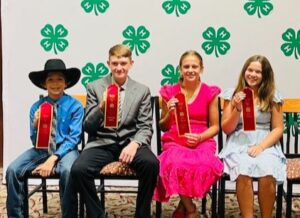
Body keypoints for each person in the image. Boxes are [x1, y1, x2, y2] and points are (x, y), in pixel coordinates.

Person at [71, 44, 159, 218]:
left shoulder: (142, 90)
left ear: (131, 64)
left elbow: (145, 126)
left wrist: (135, 143)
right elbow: (88, 126)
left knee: (152, 164)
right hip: (102, 143)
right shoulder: (94, 87)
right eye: (115, 63)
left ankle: (142, 215)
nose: (119, 67)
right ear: (108, 64)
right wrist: (101, 107)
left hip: (130, 143)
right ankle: (97, 214)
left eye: (123, 63)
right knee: (78, 170)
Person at [6, 59, 84, 218]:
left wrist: (53, 159)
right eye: (50, 80)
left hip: (67, 150)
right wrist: (35, 125)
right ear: (44, 84)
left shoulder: (75, 106)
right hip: (41, 149)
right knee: (12, 170)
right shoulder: (36, 107)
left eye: (60, 79)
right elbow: (35, 142)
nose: (55, 84)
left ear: (66, 83)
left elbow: (73, 138)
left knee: (68, 171)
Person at [153, 50, 224, 218]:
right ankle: (190, 207)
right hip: (175, 140)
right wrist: (169, 113)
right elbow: (162, 126)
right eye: (186, 66)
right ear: (180, 69)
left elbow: (215, 126)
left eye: (194, 66)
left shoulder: (209, 92)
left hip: (202, 139)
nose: (190, 70)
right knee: (176, 163)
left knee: (203, 164)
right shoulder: (169, 92)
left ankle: (181, 207)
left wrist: (200, 137)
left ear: (201, 69)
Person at [219, 55, 286, 218]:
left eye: (258, 71)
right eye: (250, 70)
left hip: (265, 142)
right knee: (243, 170)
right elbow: (227, 129)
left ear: (265, 75)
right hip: (239, 141)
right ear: (244, 71)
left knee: (268, 171)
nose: (253, 74)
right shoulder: (232, 94)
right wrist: (237, 108)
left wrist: (261, 147)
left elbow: (278, 129)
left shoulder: (272, 96)